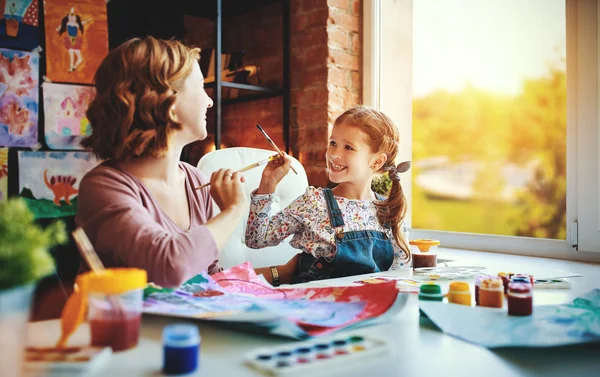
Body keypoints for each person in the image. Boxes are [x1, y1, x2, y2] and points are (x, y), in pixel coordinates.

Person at [76, 37, 298, 288]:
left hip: (185, 327)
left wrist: (285, 272)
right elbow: (170, 267)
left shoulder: (195, 181)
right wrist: (233, 210)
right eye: (201, 87)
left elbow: (208, 280)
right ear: (168, 103)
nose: (209, 100)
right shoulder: (103, 188)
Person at [246, 106, 411, 284]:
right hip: (318, 304)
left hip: (369, 306)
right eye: (333, 143)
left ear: (377, 161)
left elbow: (399, 271)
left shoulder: (388, 210)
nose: (334, 154)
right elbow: (256, 239)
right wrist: (268, 183)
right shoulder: (314, 202)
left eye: (348, 147)